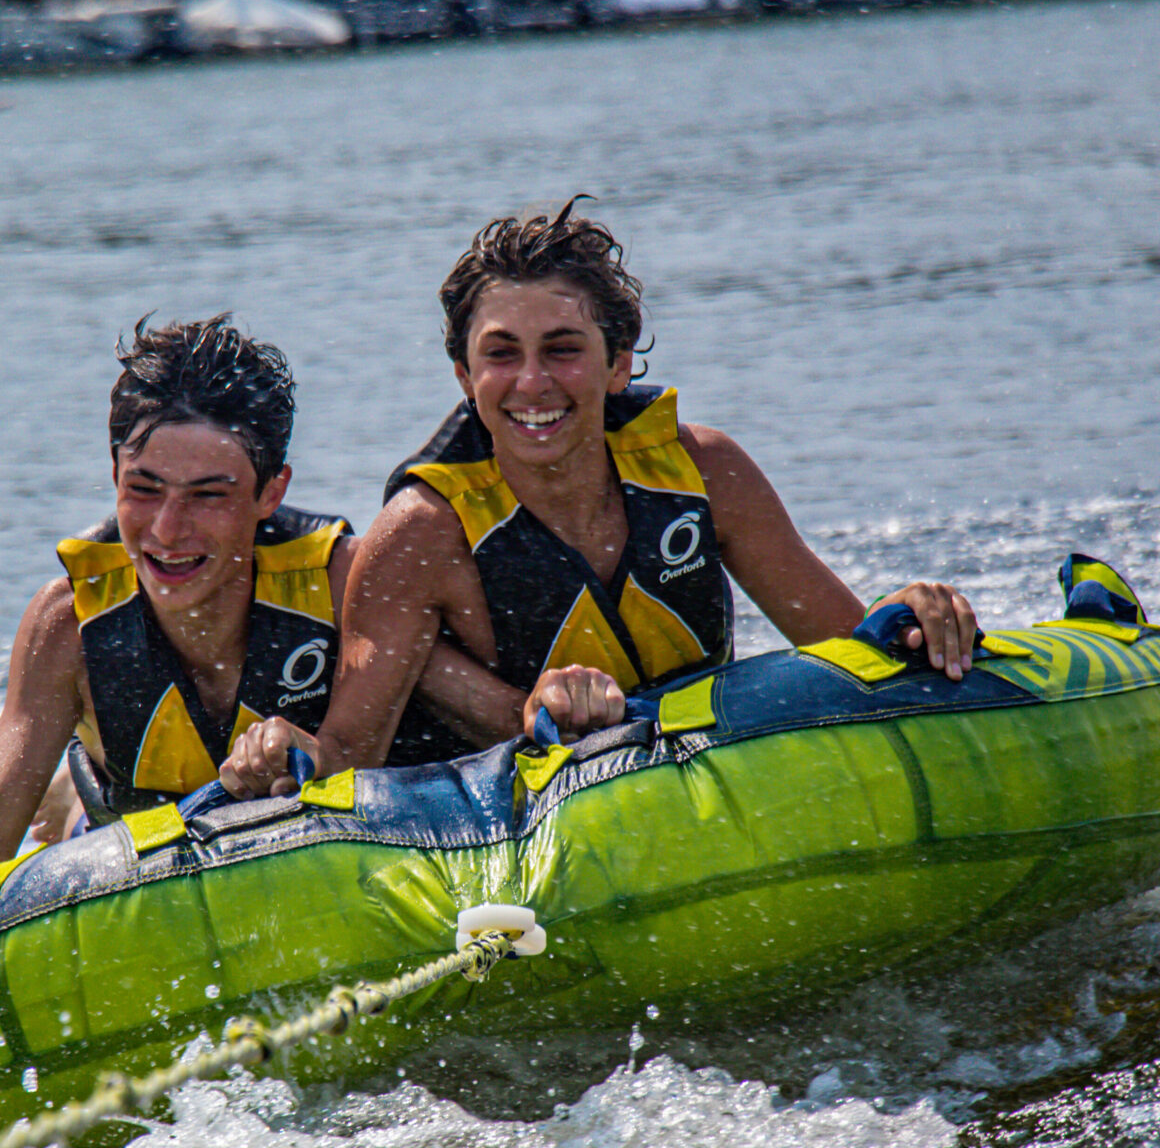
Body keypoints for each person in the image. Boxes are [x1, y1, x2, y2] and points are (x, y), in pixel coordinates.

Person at [221, 201, 977, 794]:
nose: (533, 384)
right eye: (501, 355)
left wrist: (912, 617)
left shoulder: (703, 471)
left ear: (618, 365)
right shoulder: (420, 537)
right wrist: (282, 751)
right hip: (523, 839)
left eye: (563, 349)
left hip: (713, 785)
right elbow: (351, 762)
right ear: (464, 378)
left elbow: (849, 651)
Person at [0, 316, 355, 931]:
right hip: (115, 838)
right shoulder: (67, 623)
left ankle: (70, 781)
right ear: (115, 473)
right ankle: (69, 791)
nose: (167, 531)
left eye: (207, 495)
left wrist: (319, 754)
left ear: (271, 493)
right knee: (76, 816)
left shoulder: (341, 584)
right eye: (144, 489)